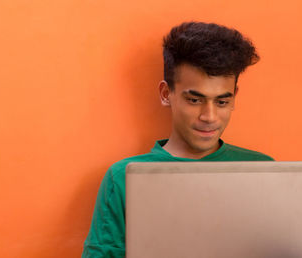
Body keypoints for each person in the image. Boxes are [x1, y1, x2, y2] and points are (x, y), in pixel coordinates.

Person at [81, 21, 273, 258]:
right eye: (194, 100)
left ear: (234, 97)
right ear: (166, 94)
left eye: (222, 102)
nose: (209, 117)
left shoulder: (264, 172)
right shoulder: (122, 178)